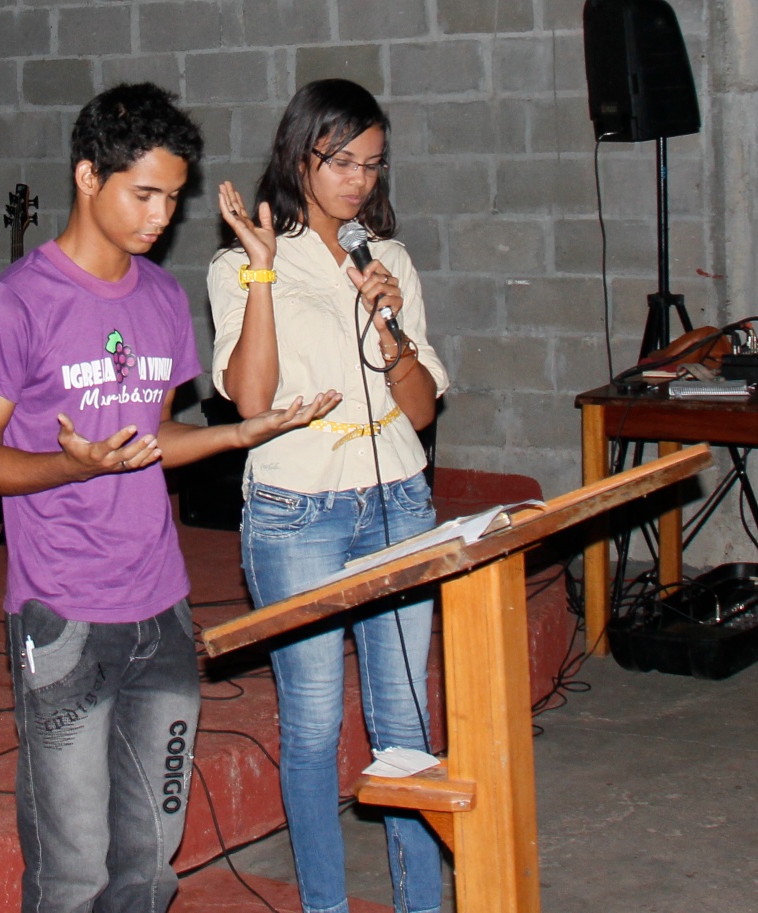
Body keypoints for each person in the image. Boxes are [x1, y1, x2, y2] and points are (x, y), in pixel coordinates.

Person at [0, 83, 340, 913]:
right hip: (62, 610)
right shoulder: (10, 306)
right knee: (72, 867)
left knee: (150, 858)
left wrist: (240, 434)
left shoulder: (162, 298)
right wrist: (68, 468)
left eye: (173, 196)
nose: (161, 215)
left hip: (160, 607)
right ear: (87, 176)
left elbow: (151, 437)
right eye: (144, 194)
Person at [206, 79, 450, 913]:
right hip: (298, 511)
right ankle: (324, 905)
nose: (358, 180)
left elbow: (421, 411)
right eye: (340, 161)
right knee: (312, 726)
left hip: (398, 500)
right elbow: (249, 400)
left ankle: (421, 904)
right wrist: (263, 275)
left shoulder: (389, 262)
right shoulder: (240, 262)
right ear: (298, 155)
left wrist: (390, 328)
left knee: (406, 724)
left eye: (371, 165)